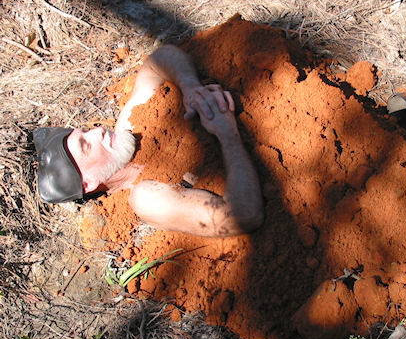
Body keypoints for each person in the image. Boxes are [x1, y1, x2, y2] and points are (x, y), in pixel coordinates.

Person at [33, 45, 264, 237]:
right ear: (89, 183)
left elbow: (158, 60)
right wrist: (228, 134)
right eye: (86, 145)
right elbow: (243, 216)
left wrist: (190, 87)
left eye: (85, 131)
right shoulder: (147, 197)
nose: (97, 131)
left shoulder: (129, 127)